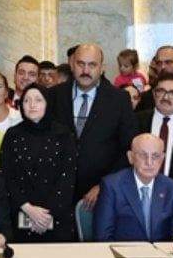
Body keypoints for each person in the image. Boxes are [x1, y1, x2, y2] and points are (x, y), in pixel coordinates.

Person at [49, 42, 137, 210]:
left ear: (102, 68)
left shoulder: (119, 100)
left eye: (92, 65)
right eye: (81, 64)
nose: (86, 70)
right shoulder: (53, 96)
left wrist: (105, 184)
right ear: (72, 65)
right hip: (56, 191)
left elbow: (128, 148)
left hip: (100, 196)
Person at [0, 84, 76, 242]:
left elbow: (67, 177)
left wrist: (45, 216)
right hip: (20, 212)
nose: (32, 105)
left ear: (47, 103)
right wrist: (28, 209)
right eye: (27, 100)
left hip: (57, 215)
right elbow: (7, 176)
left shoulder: (64, 134)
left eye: (38, 100)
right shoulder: (12, 135)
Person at [93, 134, 173, 242]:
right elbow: (103, 236)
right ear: (130, 157)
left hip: (161, 252)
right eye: (143, 155)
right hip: (122, 251)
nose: (149, 162)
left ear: (162, 158)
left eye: (155, 156)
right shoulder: (112, 186)